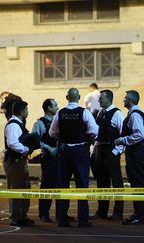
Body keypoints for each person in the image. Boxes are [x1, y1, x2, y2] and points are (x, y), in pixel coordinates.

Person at [49, 88, 98, 228]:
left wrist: (62, 138)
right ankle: (83, 220)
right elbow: (94, 131)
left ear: (66, 97)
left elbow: (52, 133)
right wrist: (88, 139)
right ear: (79, 97)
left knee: (62, 185)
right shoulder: (84, 112)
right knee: (82, 185)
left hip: (64, 152)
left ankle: (61, 219)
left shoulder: (60, 112)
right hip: (80, 151)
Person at [90, 90, 125, 222]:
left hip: (110, 151)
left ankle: (118, 212)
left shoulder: (117, 113)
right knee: (101, 182)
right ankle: (102, 211)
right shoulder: (100, 112)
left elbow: (123, 134)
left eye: (101, 98)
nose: (99, 101)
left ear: (109, 99)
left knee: (116, 182)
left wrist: (116, 152)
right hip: (99, 150)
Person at [114, 90, 144, 225]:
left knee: (138, 182)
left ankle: (139, 215)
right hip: (134, 151)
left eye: (125, 98)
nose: (123, 100)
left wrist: (123, 140)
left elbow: (139, 134)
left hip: (136, 151)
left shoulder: (135, 115)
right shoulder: (133, 114)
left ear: (131, 100)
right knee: (135, 182)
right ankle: (138, 214)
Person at [3, 100, 34, 227]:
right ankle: (16, 216)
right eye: (26, 109)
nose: (28, 111)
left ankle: (22, 215)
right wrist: (27, 149)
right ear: (21, 111)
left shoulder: (18, 123)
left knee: (24, 187)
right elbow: (12, 143)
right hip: (14, 161)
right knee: (16, 189)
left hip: (19, 160)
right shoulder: (13, 125)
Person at [32, 99, 59, 223]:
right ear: (48, 108)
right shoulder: (39, 124)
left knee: (60, 186)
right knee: (47, 186)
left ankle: (61, 214)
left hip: (59, 157)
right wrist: (49, 148)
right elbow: (34, 140)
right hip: (48, 158)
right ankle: (44, 213)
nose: (58, 108)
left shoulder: (58, 121)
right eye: (55, 105)